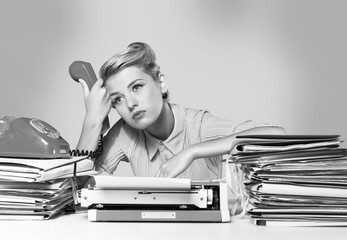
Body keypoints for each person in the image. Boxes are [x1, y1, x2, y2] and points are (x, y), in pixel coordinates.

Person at [76, 42, 285, 182]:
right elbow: (77, 190)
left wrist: (192, 152)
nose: (130, 104)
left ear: (161, 83)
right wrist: (92, 122)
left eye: (137, 87)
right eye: (118, 99)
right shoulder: (125, 134)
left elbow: (276, 134)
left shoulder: (198, 125)